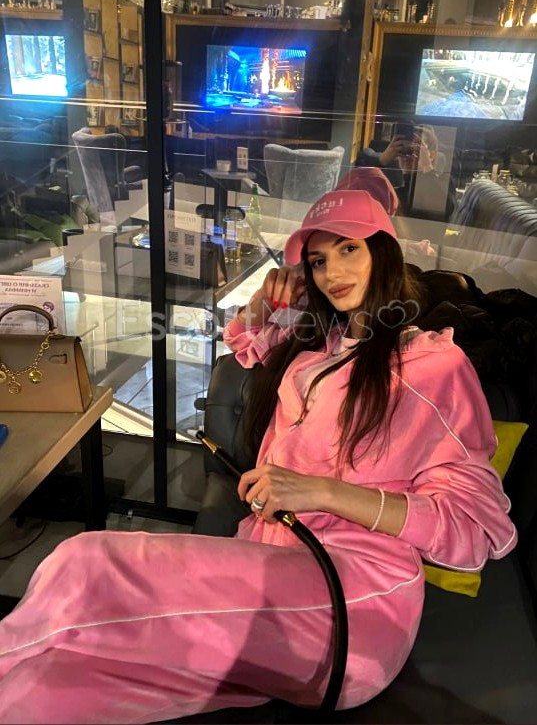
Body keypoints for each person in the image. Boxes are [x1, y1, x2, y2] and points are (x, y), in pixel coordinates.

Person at [0, 191, 517, 724]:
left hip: (351, 599)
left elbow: (476, 529)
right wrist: (269, 298)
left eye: (349, 250)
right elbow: (243, 338)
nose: (332, 273)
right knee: (49, 686)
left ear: (383, 252)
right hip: (269, 560)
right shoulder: (319, 346)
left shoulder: (430, 366)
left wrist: (323, 492)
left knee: (85, 564)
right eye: (318, 261)